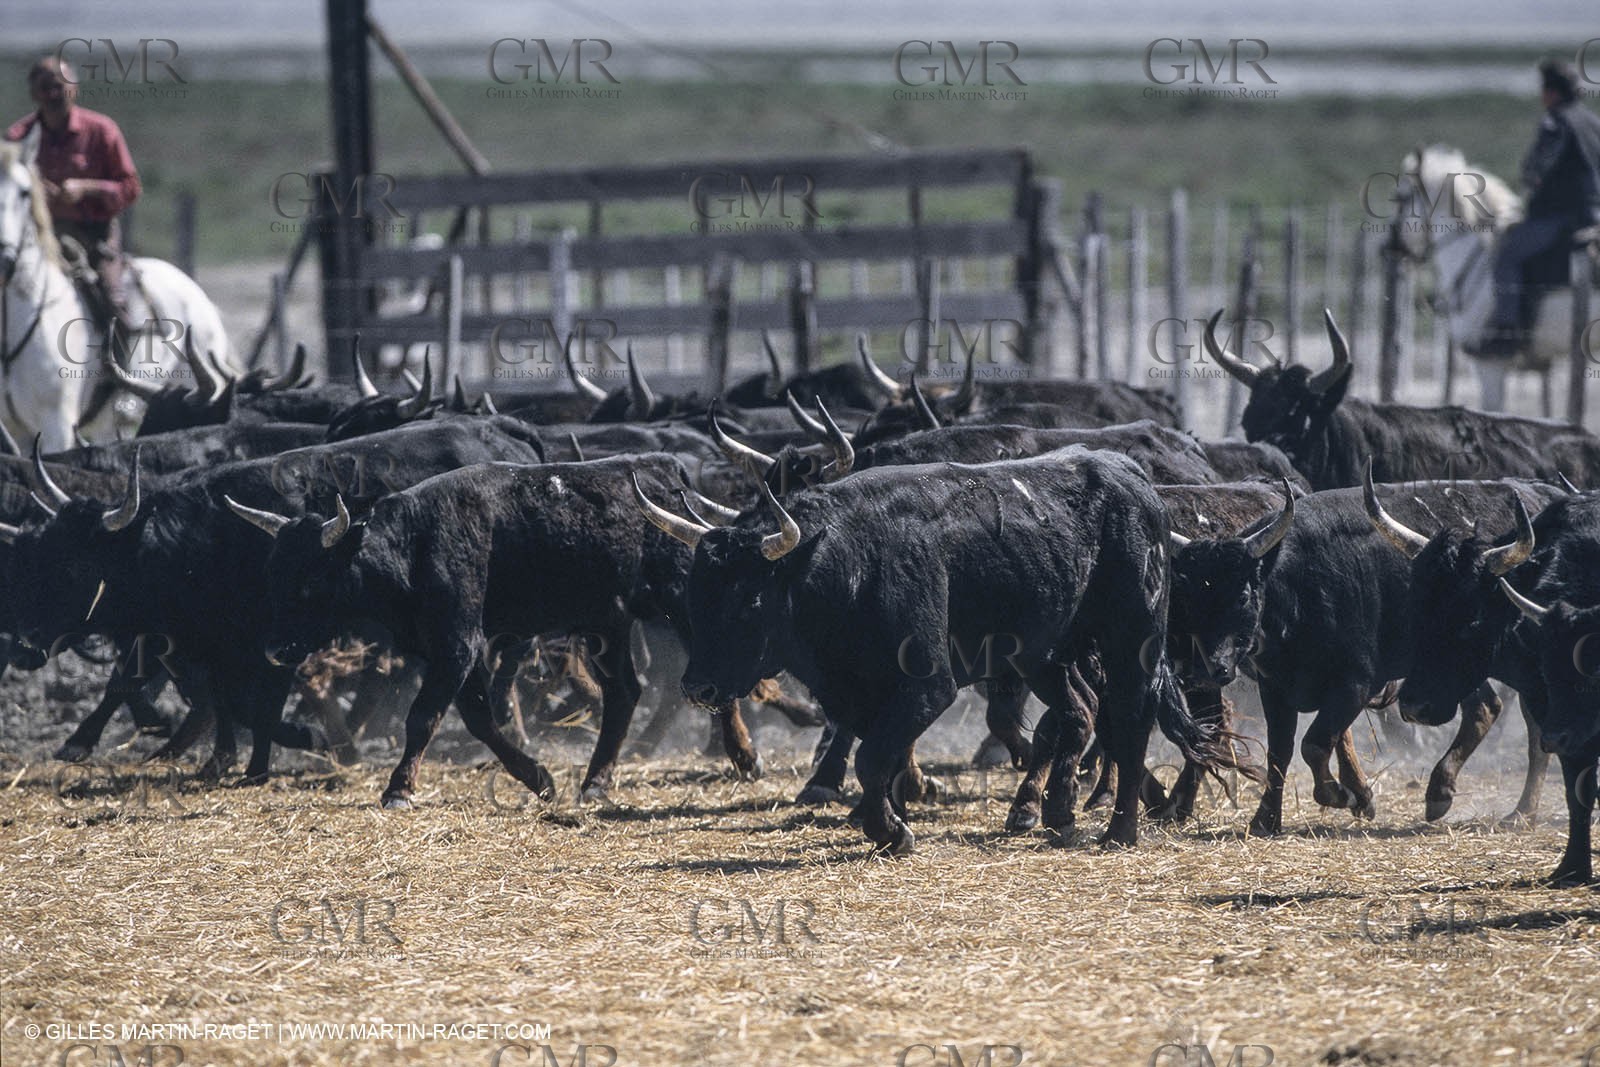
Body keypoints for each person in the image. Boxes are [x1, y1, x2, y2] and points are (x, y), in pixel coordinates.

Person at [6, 55, 142, 337]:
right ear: (34, 94)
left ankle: (118, 373)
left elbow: (130, 188)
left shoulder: (101, 130)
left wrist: (86, 189)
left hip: (94, 235)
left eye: (60, 85)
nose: (54, 94)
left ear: (75, 88)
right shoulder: (18, 137)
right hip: (39, 237)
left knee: (112, 302)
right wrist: (35, 191)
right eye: (46, 87)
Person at [1475, 58, 1600, 358]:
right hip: (1594, 215)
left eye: (1544, 89)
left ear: (1553, 92)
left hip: (1563, 217)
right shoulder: (1592, 121)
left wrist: (1531, 177)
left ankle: (1508, 331)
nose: (1542, 96)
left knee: (1506, 254)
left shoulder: (1556, 120)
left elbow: (1537, 167)